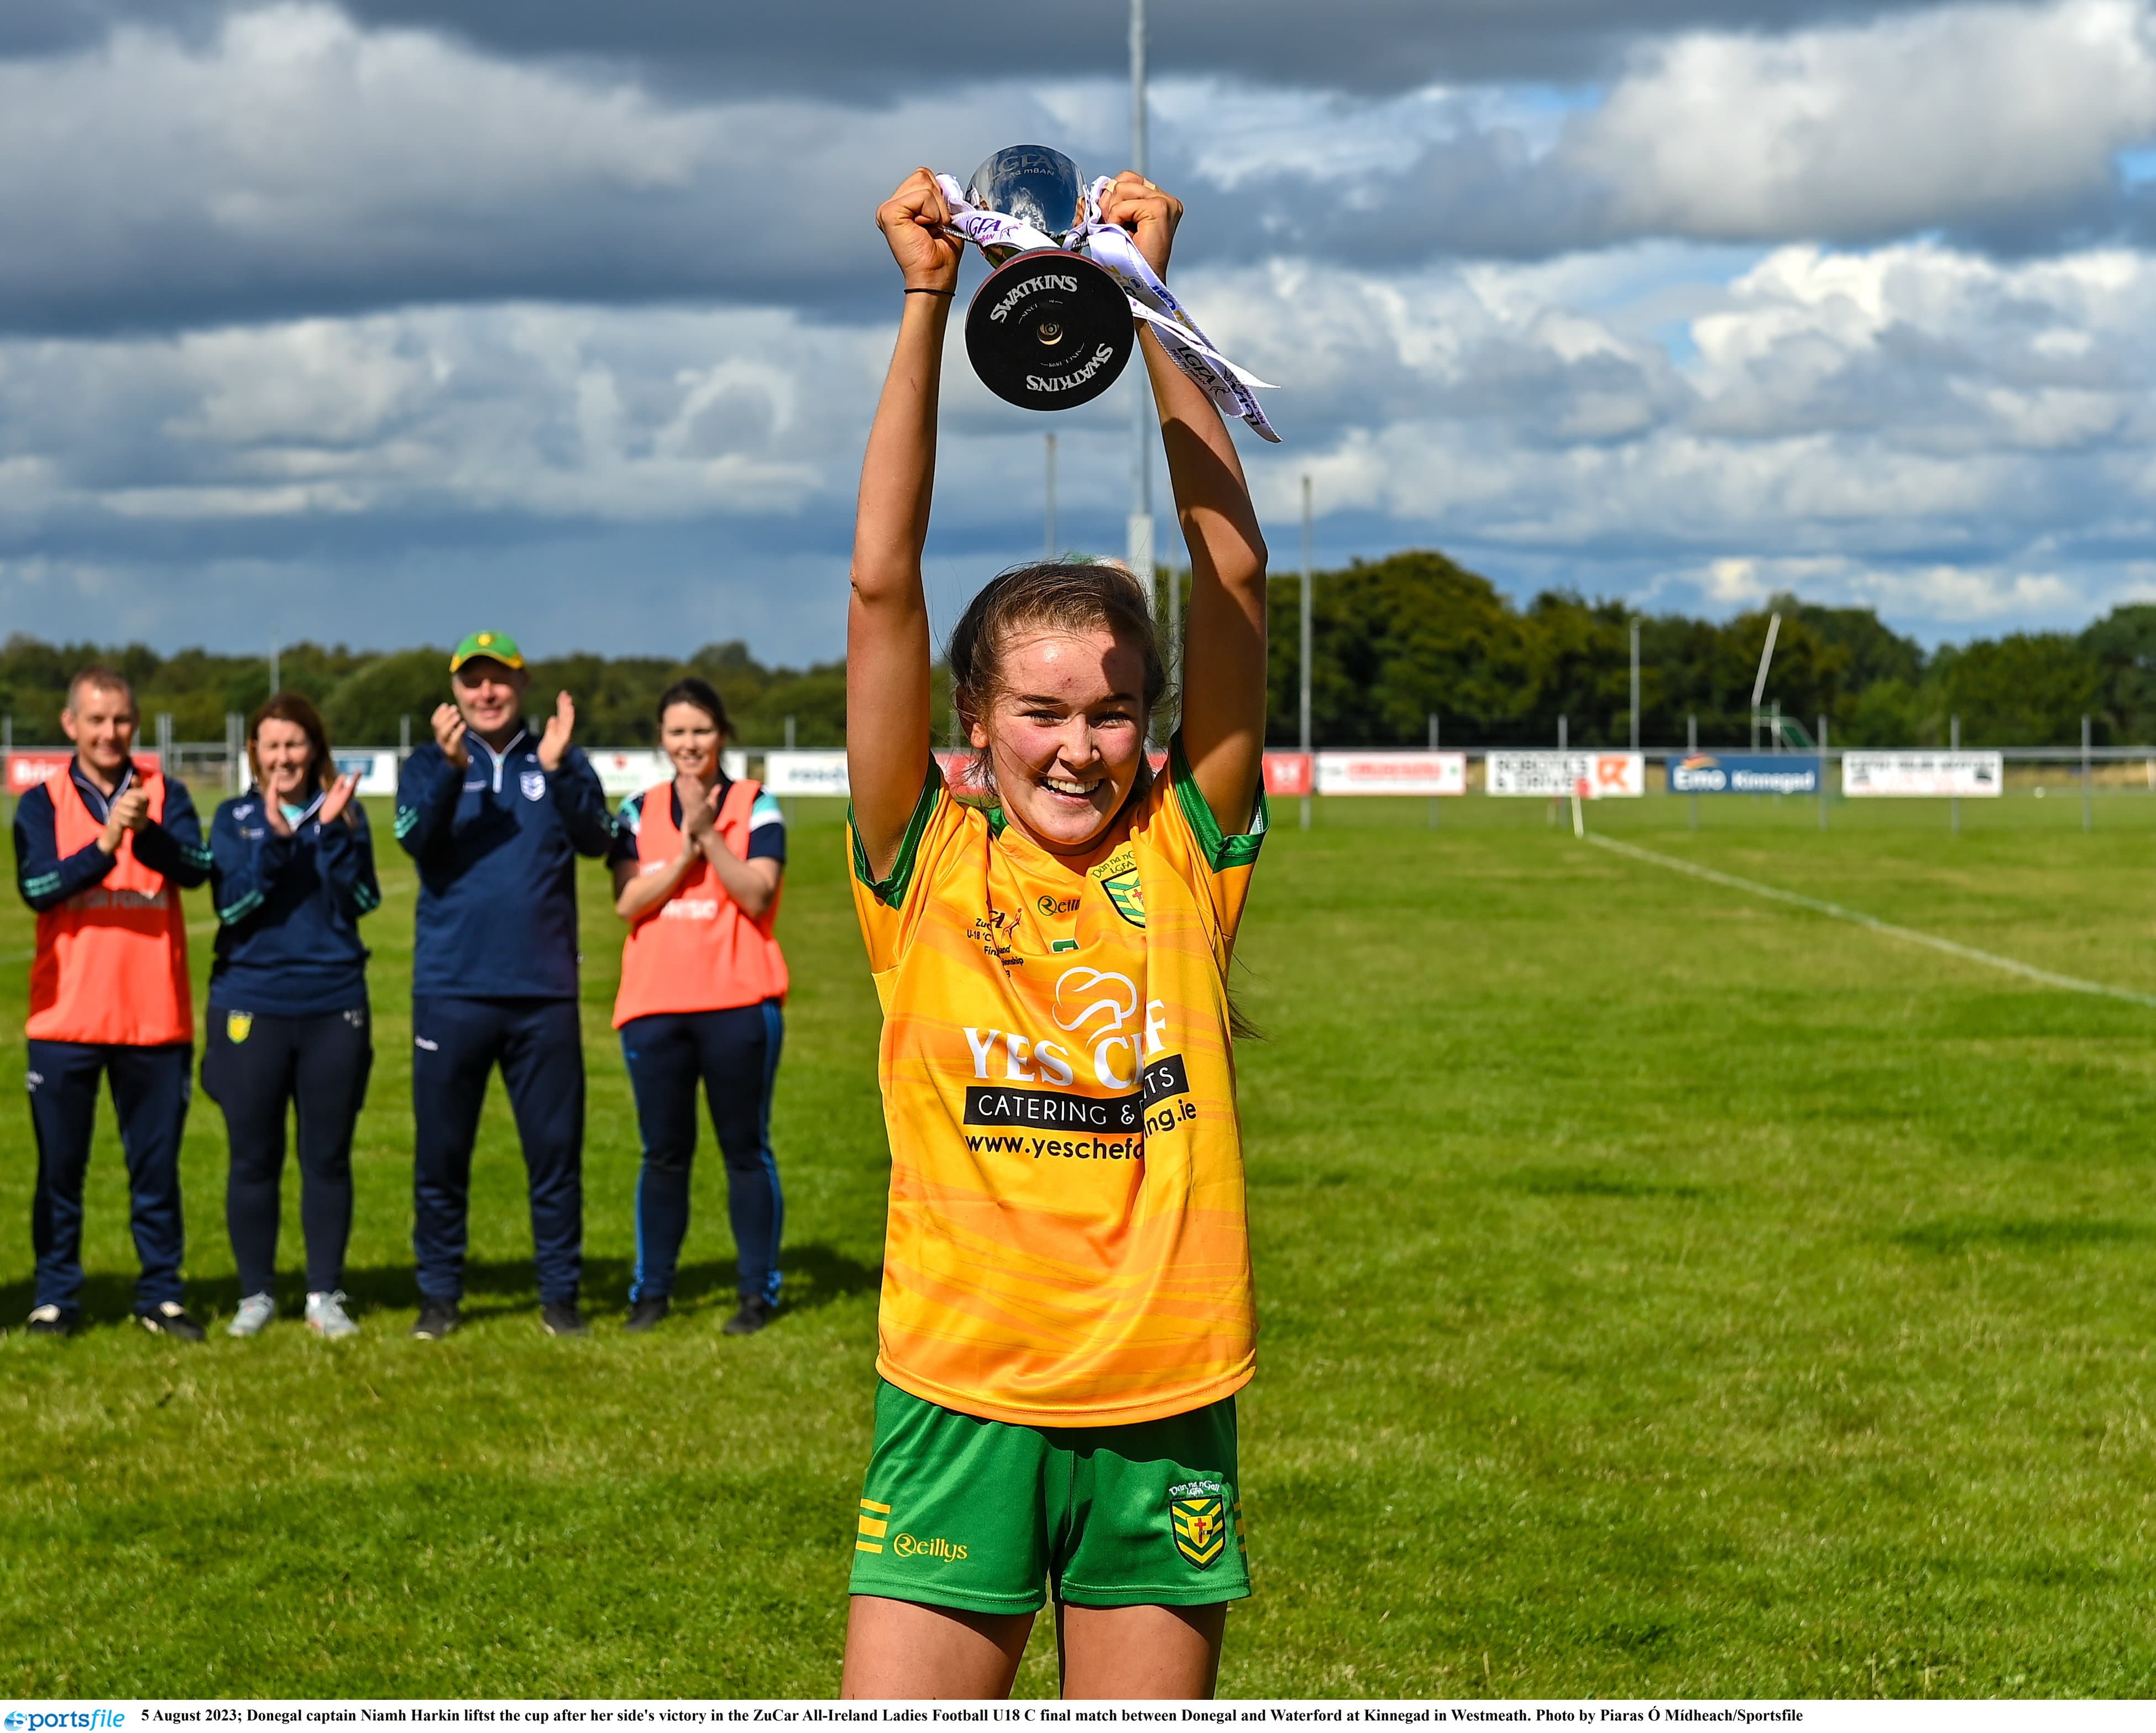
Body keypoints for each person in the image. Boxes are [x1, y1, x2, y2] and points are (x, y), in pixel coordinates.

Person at [838, 170, 1271, 1699]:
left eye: (1107, 710)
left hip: (1163, 1399)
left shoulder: (1185, 847)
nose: (1078, 746)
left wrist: (1152, 308)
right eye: (1040, 710)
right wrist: (922, 303)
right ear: (975, 723)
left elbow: (1230, 577)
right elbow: (883, 584)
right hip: (959, 1397)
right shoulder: (920, 857)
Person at [394, 631, 614, 1339]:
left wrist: (556, 769)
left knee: (555, 1155)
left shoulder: (559, 759)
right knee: (441, 1155)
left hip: (541, 995)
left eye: (499, 680)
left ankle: (559, 1297)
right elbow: (413, 838)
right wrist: (452, 770)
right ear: (455, 691)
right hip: (451, 990)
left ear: (521, 686)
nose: (485, 693)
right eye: (472, 681)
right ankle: (439, 1296)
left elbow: (599, 840)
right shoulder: (427, 764)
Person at [13, 666, 214, 1339]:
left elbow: (195, 868)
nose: (110, 733)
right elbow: (40, 887)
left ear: (137, 723)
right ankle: (55, 1297)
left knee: (155, 1173)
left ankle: (161, 1295)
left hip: (155, 1020)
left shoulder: (168, 793)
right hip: (65, 1021)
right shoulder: (40, 804)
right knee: (60, 1172)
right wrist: (105, 845)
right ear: (70, 725)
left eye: (121, 720)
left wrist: (145, 832)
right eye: (95, 720)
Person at [608, 676, 789, 1336]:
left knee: (746, 1151)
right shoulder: (634, 809)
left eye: (702, 730)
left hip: (739, 1003)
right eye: (678, 732)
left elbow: (757, 895)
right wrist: (684, 849)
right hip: (655, 1007)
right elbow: (628, 902)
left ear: (722, 734)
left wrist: (711, 836)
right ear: (662, 739)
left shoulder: (757, 806)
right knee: (662, 1154)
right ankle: (651, 1293)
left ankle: (755, 1294)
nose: (690, 743)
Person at [204, 694, 380, 1341]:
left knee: (327, 1158)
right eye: (271, 745)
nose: (284, 757)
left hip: (334, 1003)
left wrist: (334, 834)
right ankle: (255, 1296)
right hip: (251, 1005)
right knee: (253, 1158)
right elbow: (232, 907)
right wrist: (277, 843)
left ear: (316, 750)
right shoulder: (234, 818)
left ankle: (323, 1295)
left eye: (296, 744)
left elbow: (363, 898)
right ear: (254, 751)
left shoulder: (347, 814)